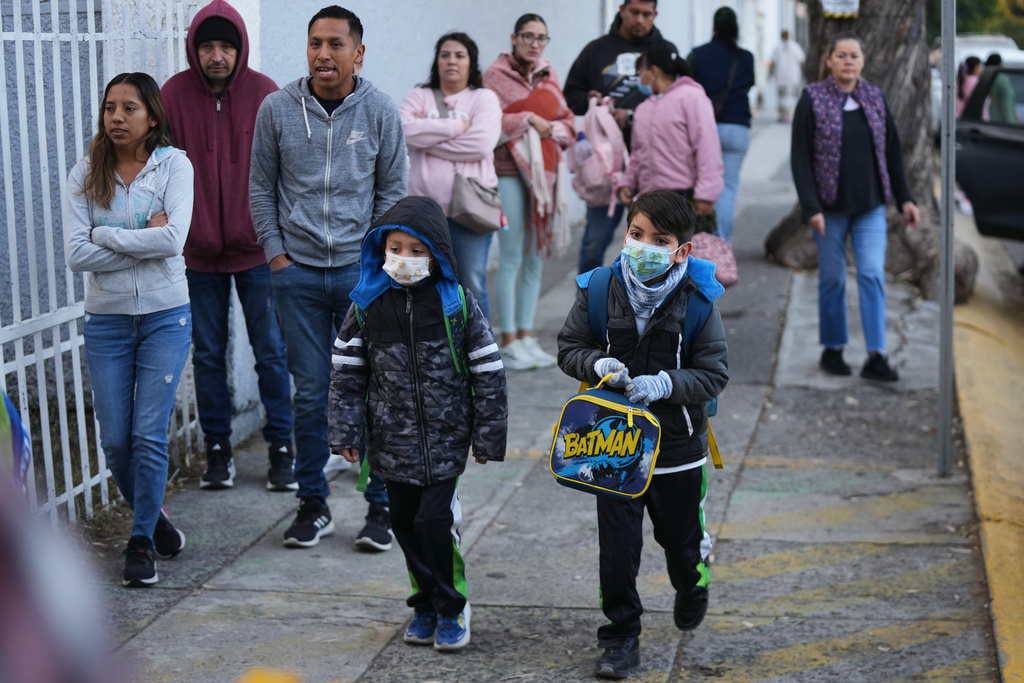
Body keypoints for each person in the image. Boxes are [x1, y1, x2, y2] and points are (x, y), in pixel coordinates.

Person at [249, 5, 407, 550]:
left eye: (336, 44)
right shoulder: (276, 109)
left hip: (359, 279)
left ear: (357, 53)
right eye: (315, 43)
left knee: (375, 391)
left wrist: (378, 266)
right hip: (295, 277)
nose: (323, 54)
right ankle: (313, 504)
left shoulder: (381, 111)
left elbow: (391, 195)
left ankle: (381, 506)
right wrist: (276, 256)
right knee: (313, 393)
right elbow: (261, 189)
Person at [556, 190, 728, 680]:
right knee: (617, 551)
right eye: (636, 234)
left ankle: (692, 584)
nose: (644, 246)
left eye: (660, 240)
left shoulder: (698, 302)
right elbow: (569, 347)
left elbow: (713, 375)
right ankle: (619, 637)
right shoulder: (598, 288)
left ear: (682, 251)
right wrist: (596, 363)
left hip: (677, 450)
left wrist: (666, 384)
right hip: (614, 448)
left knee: (680, 542)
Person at [328, 195, 508, 652]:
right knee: (404, 524)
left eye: (415, 250)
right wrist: (346, 431)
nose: (403, 258)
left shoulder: (456, 304)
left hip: (447, 439)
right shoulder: (366, 304)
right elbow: (347, 373)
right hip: (391, 441)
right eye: (394, 247)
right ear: (380, 250)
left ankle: (451, 606)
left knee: (433, 520)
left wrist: (488, 435)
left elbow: (488, 372)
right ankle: (424, 603)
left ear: (437, 255)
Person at [63, 72, 194, 587]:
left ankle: (139, 541)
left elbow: (175, 242)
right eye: (109, 108)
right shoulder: (84, 173)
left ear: (152, 118)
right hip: (108, 321)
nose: (116, 117)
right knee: (116, 439)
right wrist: (141, 234)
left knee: (147, 431)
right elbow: (77, 255)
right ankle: (155, 519)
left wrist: (106, 235)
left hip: (167, 314)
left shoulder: (173, 166)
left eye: (128, 109)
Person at [161, 0, 293, 492]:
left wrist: (280, 238)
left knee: (272, 351)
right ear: (194, 48)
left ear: (241, 49)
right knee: (209, 354)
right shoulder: (172, 95)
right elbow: (158, 168)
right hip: (197, 254)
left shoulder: (266, 94)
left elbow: (289, 172)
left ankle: (282, 444)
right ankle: (218, 450)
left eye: (226, 46)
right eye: (207, 46)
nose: (217, 56)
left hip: (258, 251)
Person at [790, 35, 920, 382]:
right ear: (829, 60)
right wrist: (810, 207)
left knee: (872, 275)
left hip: (870, 208)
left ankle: (876, 356)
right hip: (828, 210)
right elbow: (800, 158)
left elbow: (893, 150)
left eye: (855, 56)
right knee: (832, 278)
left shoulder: (874, 96)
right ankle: (833, 348)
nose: (849, 61)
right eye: (842, 55)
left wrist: (906, 198)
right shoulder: (812, 99)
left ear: (862, 61)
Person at [483, 13, 575, 371]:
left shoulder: (550, 75)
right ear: (514, 38)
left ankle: (525, 335)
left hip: (544, 180)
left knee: (535, 257)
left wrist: (548, 126)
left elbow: (567, 123)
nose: (535, 43)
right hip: (507, 172)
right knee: (510, 257)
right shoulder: (495, 76)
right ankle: (506, 340)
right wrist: (527, 120)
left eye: (541, 38)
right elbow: (489, 123)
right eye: (528, 36)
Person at [563, 0, 678, 273]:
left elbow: (679, 99)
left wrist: (632, 116)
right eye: (634, 12)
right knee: (594, 241)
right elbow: (571, 95)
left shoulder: (666, 52)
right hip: (606, 165)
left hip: (654, 163)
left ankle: (652, 302)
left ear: (655, 15)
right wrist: (589, 98)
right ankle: (588, 301)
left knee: (658, 243)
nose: (640, 19)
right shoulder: (596, 50)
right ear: (621, 10)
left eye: (646, 14)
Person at [400, 32, 502, 320]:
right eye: (445, 54)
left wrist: (429, 130)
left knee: (470, 282)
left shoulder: (484, 98)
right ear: (437, 61)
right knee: (422, 285)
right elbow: (405, 131)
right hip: (423, 213)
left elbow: (481, 144)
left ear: (471, 62)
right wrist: (459, 125)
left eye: (459, 55)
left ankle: (480, 357)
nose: (451, 61)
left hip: (470, 212)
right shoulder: (418, 95)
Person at [615, 47, 723, 234]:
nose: (640, 79)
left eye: (641, 72)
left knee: (689, 259)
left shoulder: (692, 97)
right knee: (654, 260)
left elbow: (707, 147)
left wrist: (706, 194)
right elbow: (637, 154)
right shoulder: (643, 109)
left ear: (653, 71)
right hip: (650, 201)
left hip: (684, 199)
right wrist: (627, 182)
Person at [688, 7, 755, 244]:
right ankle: (720, 244)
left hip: (704, 129)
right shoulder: (745, 57)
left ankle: (697, 244)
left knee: (702, 186)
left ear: (714, 26)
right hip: (738, 127)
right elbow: (749, 84)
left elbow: (686, 85)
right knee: (728, 188)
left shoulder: (697, 54)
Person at [769, 29, 805, 124]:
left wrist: (770, 74)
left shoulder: (779, 47)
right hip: (791, 77)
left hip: (783, 77)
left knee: (784, 96)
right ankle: (787, 115)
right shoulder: (794, 46)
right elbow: (802, 60)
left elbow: (773, 62)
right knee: (788, 96)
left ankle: (784, 115)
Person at [984, 53, 1020, 124]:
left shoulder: (985, 76)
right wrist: (1012, 124)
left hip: (987, 120)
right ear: (1000, 63)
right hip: (1001, 123)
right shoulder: (1002, 78)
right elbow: (1007, 102)